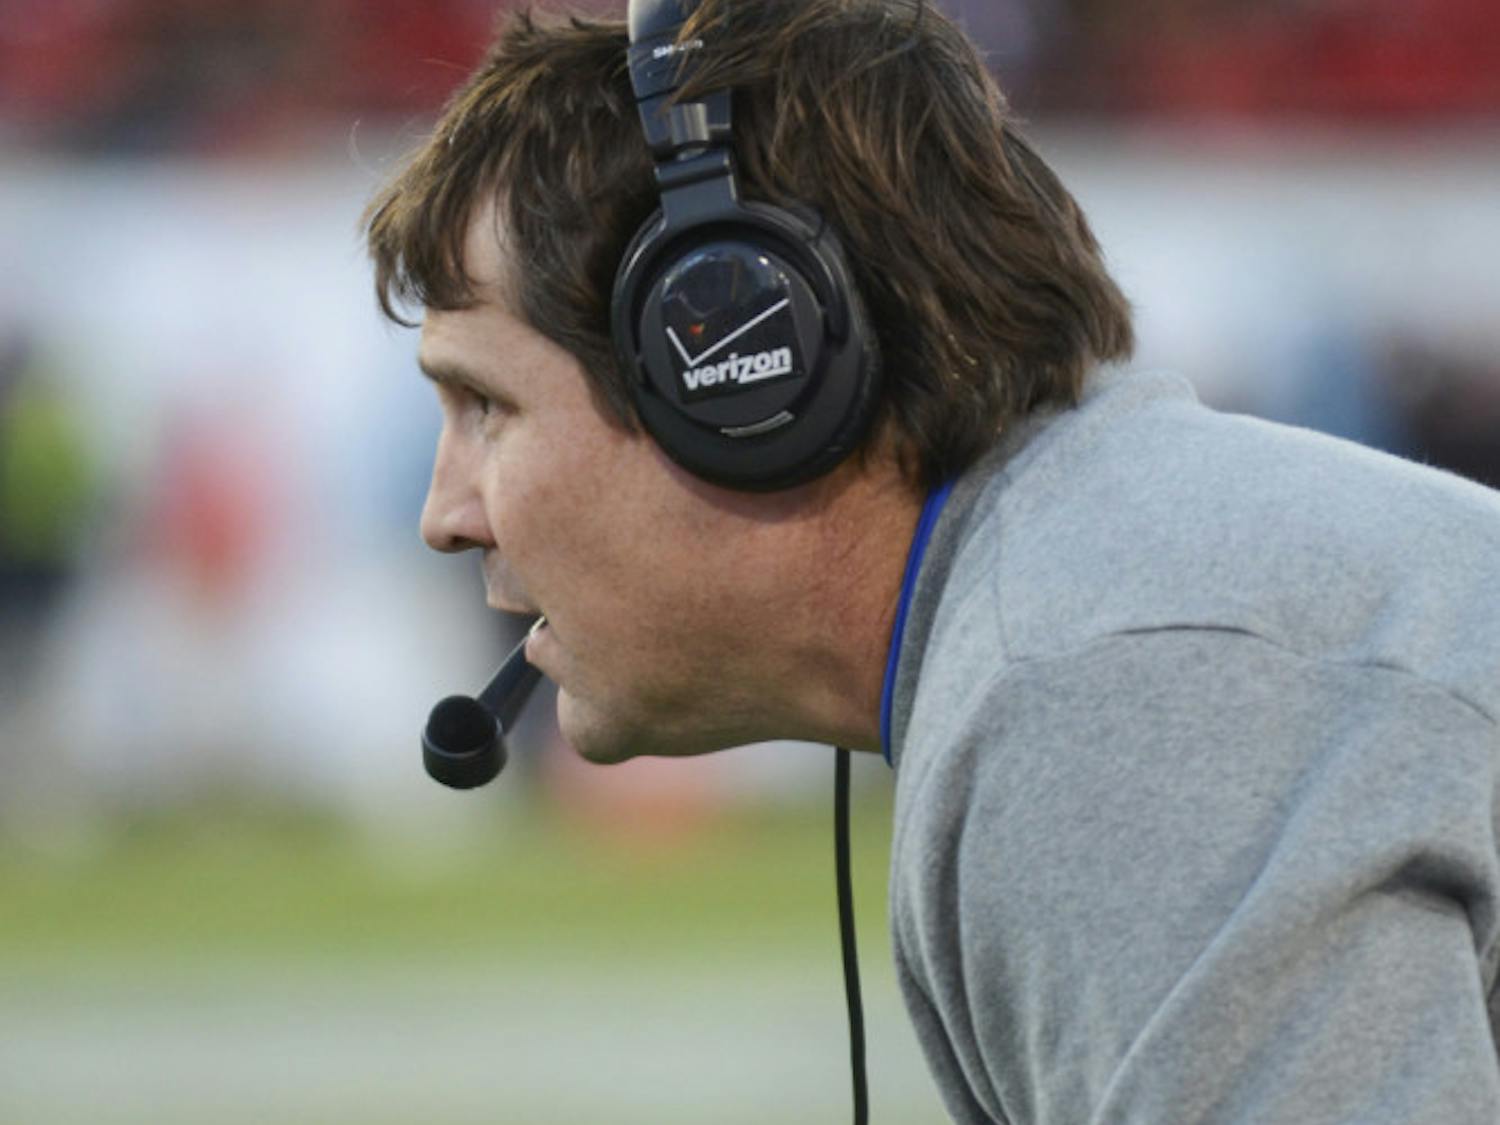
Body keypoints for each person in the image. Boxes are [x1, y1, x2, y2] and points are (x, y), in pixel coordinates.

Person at [362, 1, 1500, 1121]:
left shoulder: (1110, 687)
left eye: (486, 405)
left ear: (748, 373)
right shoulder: (1092, 602)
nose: (446, 514)